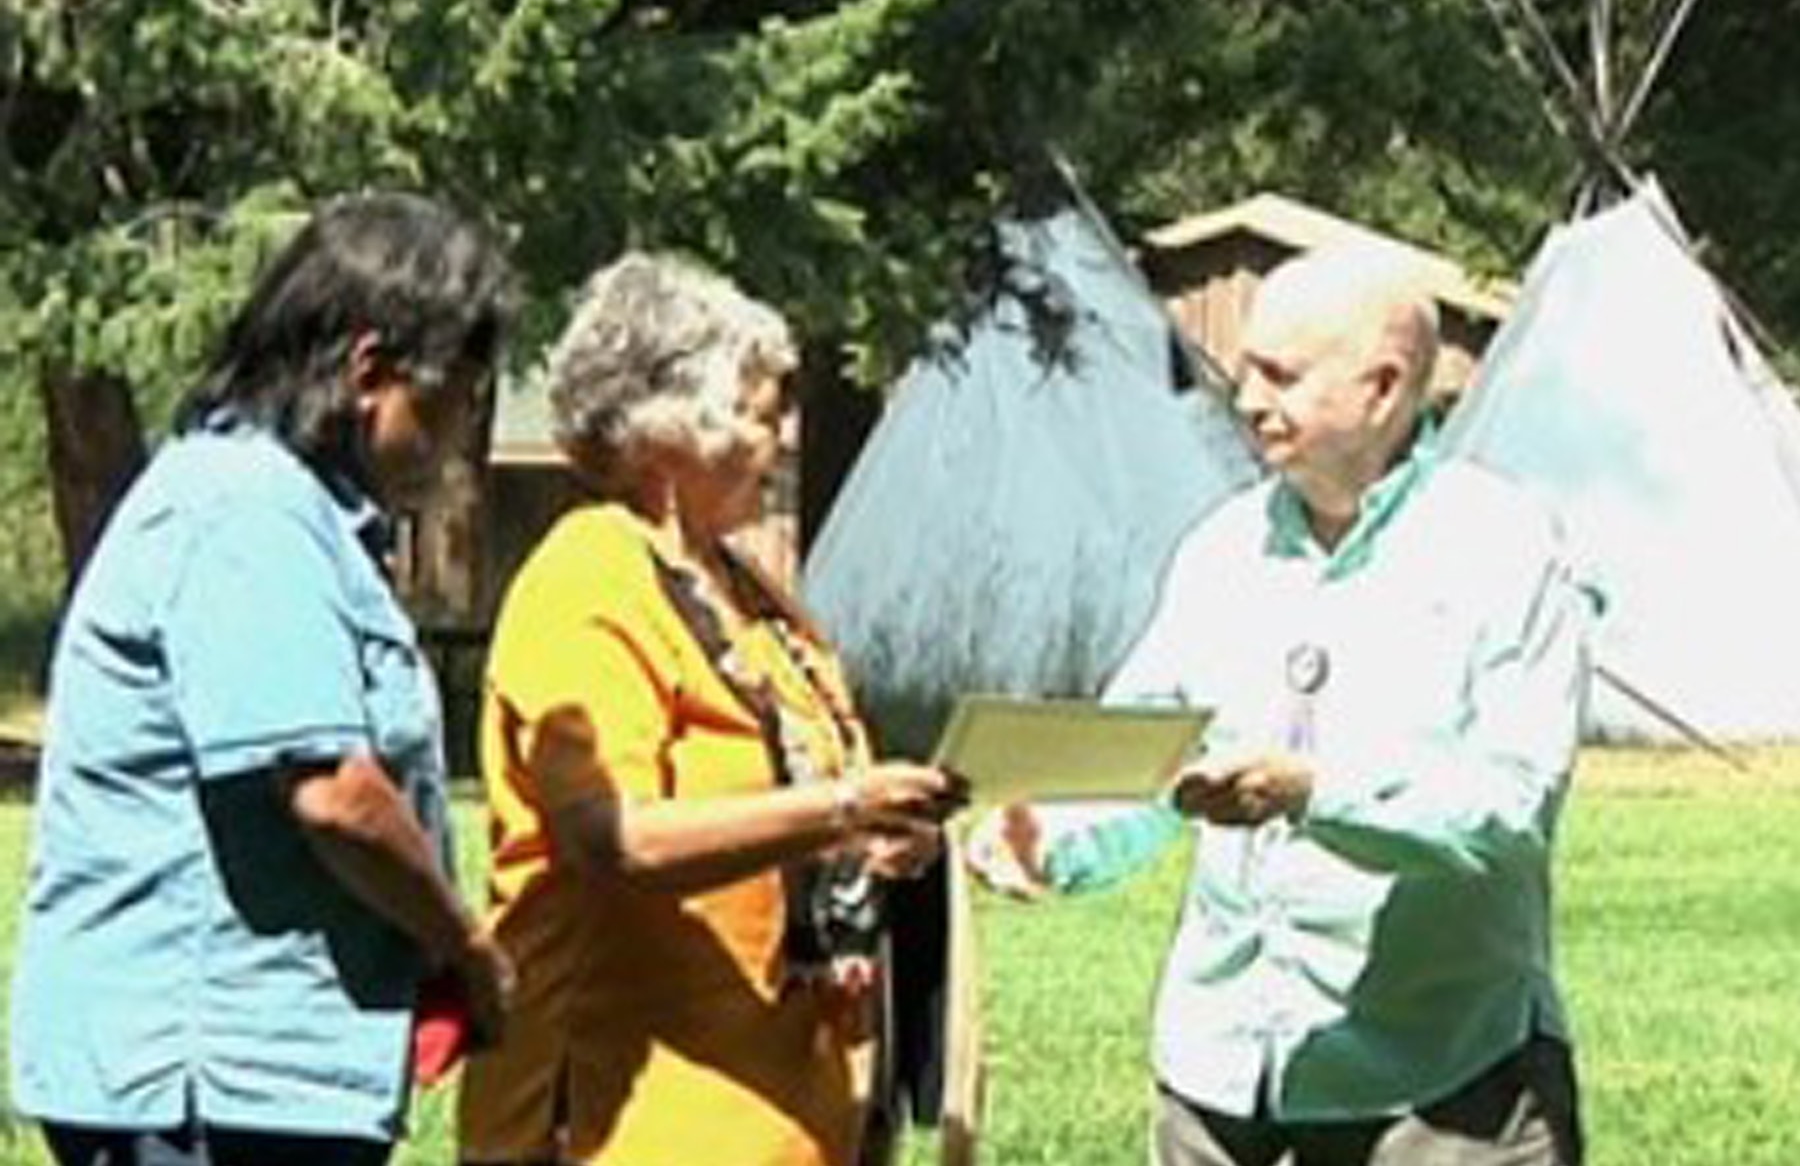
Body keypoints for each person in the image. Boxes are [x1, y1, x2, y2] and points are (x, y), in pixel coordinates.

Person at [970, 244, 1593, 1166]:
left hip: (1441, 1078)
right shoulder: (1221, 553)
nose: (1249, 398)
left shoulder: (1504, 549)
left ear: (1383, 389)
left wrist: (1310, 790)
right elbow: (1148, 761)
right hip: (1220, 1073)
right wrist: (1052, 836)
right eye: (1249, 369)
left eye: (1282, 376)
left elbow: (1509, 809)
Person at [8, 193, 518, 1166]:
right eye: (447, 406)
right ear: (369, 372)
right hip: (203, 1081)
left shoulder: (299, 517)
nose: (452, 447)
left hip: (264, 1077)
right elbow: (332, 795)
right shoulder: (246, 511)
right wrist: (467, 946)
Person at [455, 252, 967, 1166]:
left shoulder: (759, 599)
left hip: (787, 1113)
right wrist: (841, 809)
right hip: (629, 1119)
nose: (787, 439)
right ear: (666, 430)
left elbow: (803, 800)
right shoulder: (589, 579)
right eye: (763, 416)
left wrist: (881, 837)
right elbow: (614, 838)